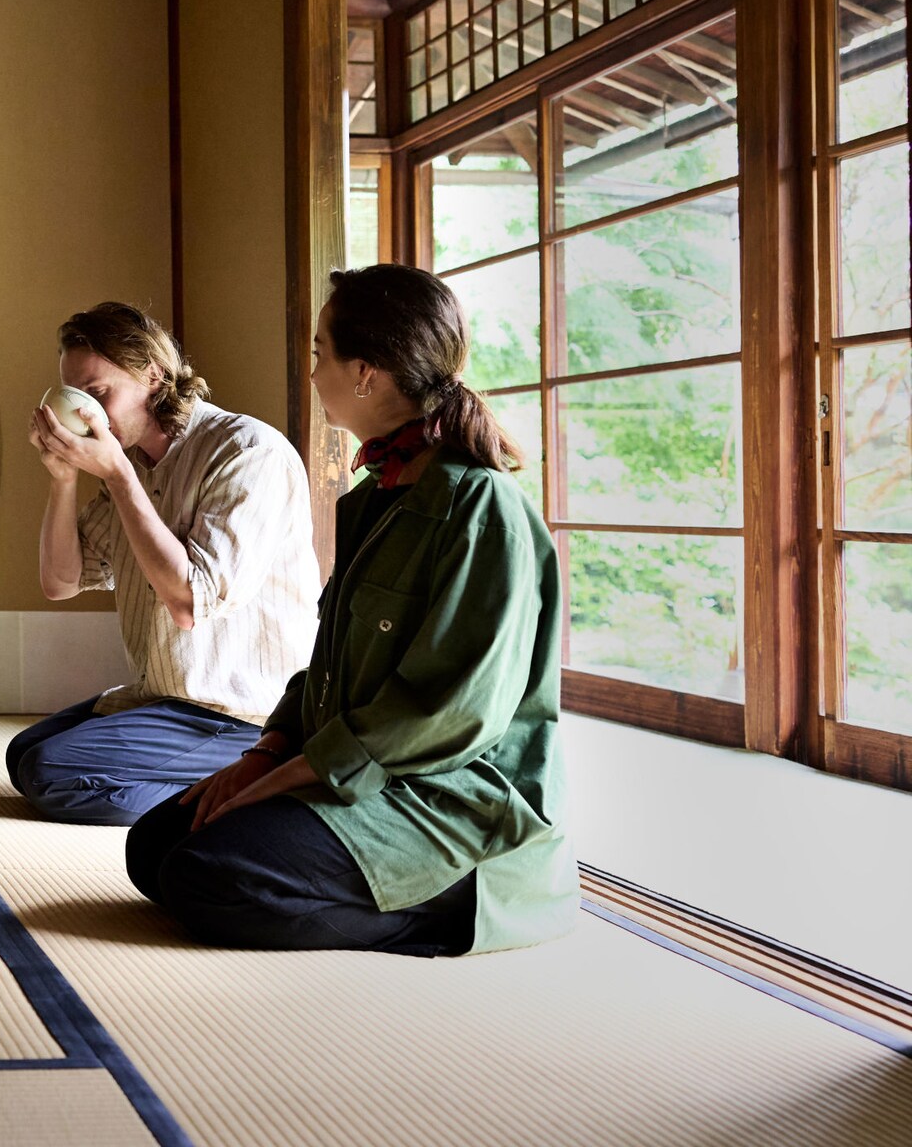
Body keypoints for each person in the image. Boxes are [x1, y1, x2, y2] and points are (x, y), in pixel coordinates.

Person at [126, 265, 577, 956]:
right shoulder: (374, 499)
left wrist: (297, 774)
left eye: (319, 354)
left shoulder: (482, 509)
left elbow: (452, 713)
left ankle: (449, 907)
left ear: (365, 372)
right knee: (154, 846)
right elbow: (328, 667)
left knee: (208, 877)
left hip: (446, 796)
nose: (313, 372)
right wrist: (268, 752)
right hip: (358, 770)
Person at [10, 302, 322, 825]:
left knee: (50, 771)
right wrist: (63, 477)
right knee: (24, 754)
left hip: (241, 711)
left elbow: (188, 602)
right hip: (164, 698)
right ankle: (209, 783)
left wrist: (116, 476)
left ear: (152, 377)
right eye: (73, 397)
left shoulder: (246, 452)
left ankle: (251, 789)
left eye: (98, 393)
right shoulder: (132, 465)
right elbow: (60, 582)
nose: (85, 413)